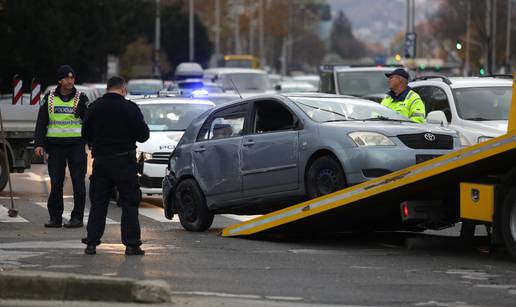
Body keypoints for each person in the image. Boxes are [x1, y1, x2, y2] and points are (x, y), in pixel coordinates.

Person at [81, 76, 149, 256]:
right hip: (124, 162)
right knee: (129, 203)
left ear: (107, 88)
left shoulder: (95, 108)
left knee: (99, 202)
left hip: (102, 162)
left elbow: (85, 133)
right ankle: (132, 244)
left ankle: (92, 243)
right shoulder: (130, 108)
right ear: (123, 89)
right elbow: (143, 135)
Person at [34, 65, 89, 228]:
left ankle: (77, 218)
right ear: (59, 80)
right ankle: (55, 218)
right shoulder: (49, 98)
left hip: (76, 146)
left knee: (78, 182)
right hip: (55, 146)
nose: (70, 81)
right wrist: (38, 143)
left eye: (72, 78)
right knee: (56, 182)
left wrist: (92, 143)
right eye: (66, 78)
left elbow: (89, 123)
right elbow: (41, 122)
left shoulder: (82, 98)